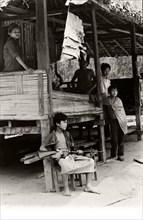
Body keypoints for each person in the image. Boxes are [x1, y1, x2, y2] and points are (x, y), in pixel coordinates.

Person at [39, 112, 98, 196]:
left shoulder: (67, 134)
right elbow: (42, 148)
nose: (66, 124)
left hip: (70, 156)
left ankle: (88, 186)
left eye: (66, 122)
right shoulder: (52, 135)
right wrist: (55, 153)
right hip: (61, 159)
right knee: (64, 164)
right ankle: (66, 188)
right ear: (57, 124)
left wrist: (78, 152)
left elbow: (72, 148)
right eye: (64, 122)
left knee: (91, 161)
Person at [103, 85, 127, 161]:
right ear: (109, 92)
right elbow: (104, 111)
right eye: (113, 91)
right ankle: (113, 155)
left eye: (116, 91)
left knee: (121, 138)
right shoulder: (106, 100)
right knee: (114, 139)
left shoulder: (119, 100)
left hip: (122, 121)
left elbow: (121, 112)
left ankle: (120, 154)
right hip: (113, 122)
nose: (115, 92)